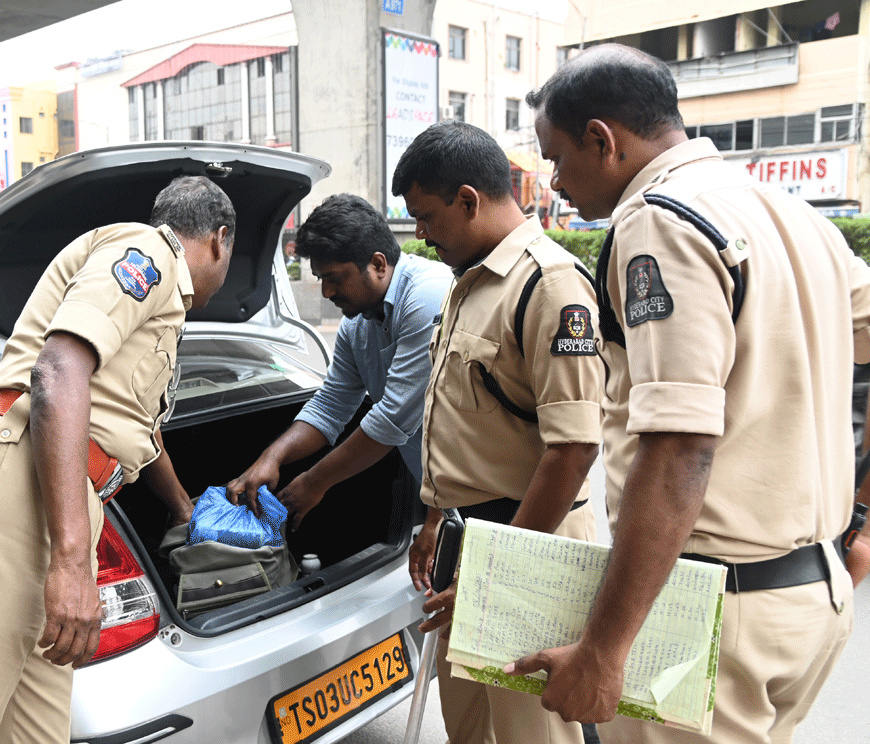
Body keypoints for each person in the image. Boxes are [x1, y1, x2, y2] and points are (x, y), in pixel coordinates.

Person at [507, 43, 870, 743]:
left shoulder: (660, 219)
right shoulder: (794, 215)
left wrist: (604, 651)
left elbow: (679, 446)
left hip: (713, 615)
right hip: (813, 598)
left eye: (556, 158)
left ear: (602, 140)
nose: (554, 182)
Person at [0, 175, 236, 744]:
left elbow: (134, 428)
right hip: (12, 486)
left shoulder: (162, 307)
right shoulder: (149, 253)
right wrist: (71, 563)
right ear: (219, 239)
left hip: (50, 499)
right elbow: (58, 370)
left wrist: (182, 508)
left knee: (34, 734)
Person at [392, 121, 603, 744]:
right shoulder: (470, 281)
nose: (422, 235)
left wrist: (498, 575)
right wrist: (435, 519)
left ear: (468, 200)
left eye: (427, 218)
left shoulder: (549, 284)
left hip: (531, 546)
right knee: (469, 726)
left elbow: (574, 448)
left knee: (531, 733)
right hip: (467, 542)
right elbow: (463, 424)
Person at [226, 193, 450, 527]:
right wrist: (271, 457)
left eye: (335, 278)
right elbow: (331, 405)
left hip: (490, 490)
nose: (326, 292)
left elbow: (393, 418)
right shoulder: (355, 325)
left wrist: (314, 481)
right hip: (441, 492)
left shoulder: (428, 296)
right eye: (321, 279)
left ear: (378, 264)